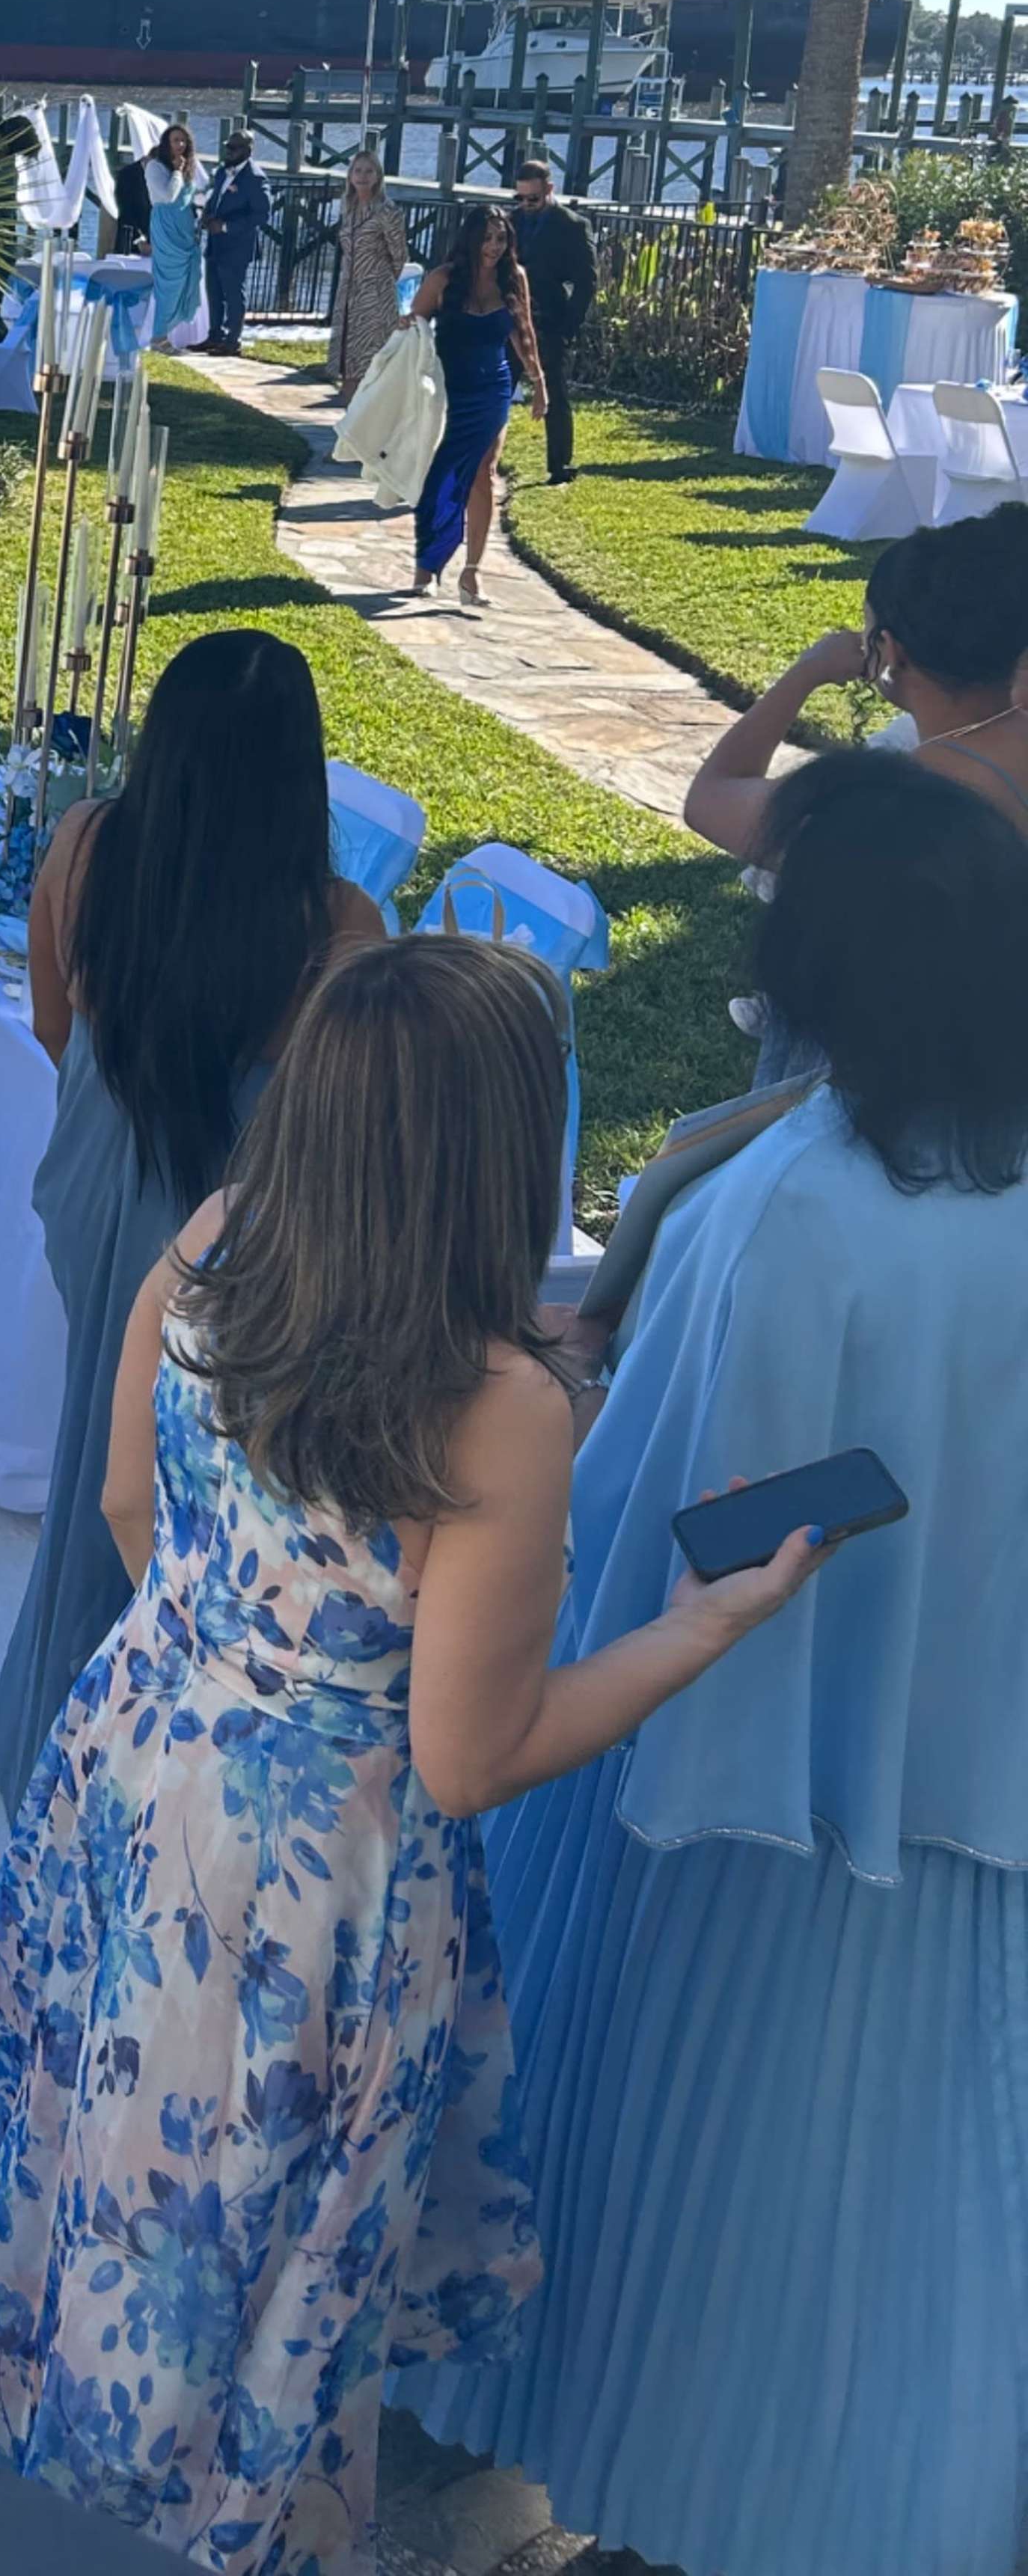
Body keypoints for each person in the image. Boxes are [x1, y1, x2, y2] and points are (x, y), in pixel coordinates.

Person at [0, 939, 821, 2574]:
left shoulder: (217, 1240)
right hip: (310, 1880)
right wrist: (704, 1625)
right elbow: (469, 1759)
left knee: (89, 2130)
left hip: (138, 1753)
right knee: (239, 2244)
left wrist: (222, 1663)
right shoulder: (496, 1405)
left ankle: (15, 2446)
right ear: (502, 1152)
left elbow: (124, 1503)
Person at [402, 755, 1028, 2576]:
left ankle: (667, 2497)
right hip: (972, 1777)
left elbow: (650, 1501)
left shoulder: (788, 1199)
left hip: (728, 1782)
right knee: (929, 2189)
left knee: (699, 2188)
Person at [0, 630, 385, 1805]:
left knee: (95, 1452)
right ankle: (115, 1761)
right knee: (187, 1498)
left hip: (100, 1186)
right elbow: (336, 1126)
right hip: (225, 1234)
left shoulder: (85, 843)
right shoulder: (337, 925)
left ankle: (42, 1725)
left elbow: (52, 1025)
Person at [680, 501, 1028, 860]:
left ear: (889, 650)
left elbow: (711, 799)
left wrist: (806, 671)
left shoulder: (880, 803)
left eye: (867, 625)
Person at [409, 198, 542, 605]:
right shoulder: (444, 278)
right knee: (441, 475)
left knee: (485, 472)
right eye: (486, 239)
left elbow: (524, 333)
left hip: (493, 389)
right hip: (449, 389)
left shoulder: (514, 277)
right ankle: (427, 568)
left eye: (501, 239)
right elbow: (414, 326)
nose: (494, 247)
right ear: (470, 240)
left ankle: (472, 573)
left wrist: (539, 382)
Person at [506, 159, 594, 483]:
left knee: (555, 392)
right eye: (521, 198)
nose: (526, 204)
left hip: (550, 318)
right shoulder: (510, 222)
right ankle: (482, 453)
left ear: (549, 190)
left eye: (533, 198)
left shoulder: (572, 225)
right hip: (510, 318)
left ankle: (559, 465)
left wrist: (569, 326)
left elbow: (587, 281)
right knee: (498, 386)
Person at [328, 146, 408, 394]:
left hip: (376, 293)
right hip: (348, 291)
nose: (362, 176)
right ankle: (349, 401)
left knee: (369, 357)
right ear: (350, 175)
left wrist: (393, 292)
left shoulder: (387, 211)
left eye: (369, 171)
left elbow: (400, 256)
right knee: (347, 358)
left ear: (378, 176)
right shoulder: (348, 207)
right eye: (358, 171)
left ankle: (368, 404)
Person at [194, 127, 272, 353]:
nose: (229, 151)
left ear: (248, 150)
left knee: (234, 294)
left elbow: (261, 215)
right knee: (214, 292)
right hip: (215, 244)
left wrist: (226, 226)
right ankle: (214, 336)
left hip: (237, 246)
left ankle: (232, 341)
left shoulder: (255, 178)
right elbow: (215, 198)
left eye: (234, 148)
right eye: (227, 147)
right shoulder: (222, 172)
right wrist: (207, 215)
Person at [141, 117, 206, 346]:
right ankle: (159, 336)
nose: (180, 145)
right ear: (166, 144)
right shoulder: (155, 167)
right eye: (175, 141)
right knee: (170, 284)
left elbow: (193, 196)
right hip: (166, 229)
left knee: (186, 282)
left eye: (183, 141)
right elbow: (167, 196)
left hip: (185, 232)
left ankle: (166, 334)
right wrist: (177, 172)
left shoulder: (189, 167)